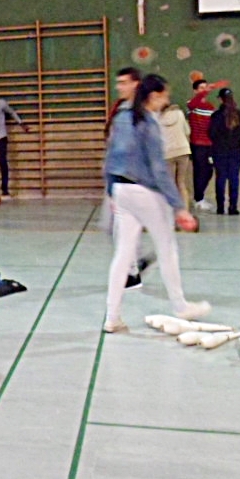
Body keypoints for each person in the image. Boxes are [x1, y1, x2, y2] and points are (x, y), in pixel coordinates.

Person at [103, 74, 211, 334]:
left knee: (123, 254)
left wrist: (111, 192)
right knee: (167, 247)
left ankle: (112, 317)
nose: (167, 99)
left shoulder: (121, 117)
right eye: (165, 95)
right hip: (144, 192)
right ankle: (180, 305)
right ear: (153, 96)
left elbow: (111, 158)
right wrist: (179, 206)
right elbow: (159, 170)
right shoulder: (149, 123)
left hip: (121, 190)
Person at [106, 67, 152, 290]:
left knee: (121, 230)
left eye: (124, 82)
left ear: (136, 84)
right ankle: (136, 261)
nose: (119, 87)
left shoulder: (140, 113)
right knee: (120, 228)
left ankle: (132, 273)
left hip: (130, 180)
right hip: (122, 179)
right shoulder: (122, 110)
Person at [209, 87, 240, 215]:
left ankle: (220, 207)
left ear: (220, 99)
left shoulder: (216, 116)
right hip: (236, 150)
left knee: (220, 178)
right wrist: (236, 139)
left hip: (219, 150)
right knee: (234, 178)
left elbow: (211, 133)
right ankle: (233, 207)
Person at [187, 77, 227, 211]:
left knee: (208, 171)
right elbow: (194, 103)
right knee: (199, 171)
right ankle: (198, 199)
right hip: (197, 144)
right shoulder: (192, 104)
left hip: (210, 144)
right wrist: (209, 89)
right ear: (195, 91)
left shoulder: (210, 107)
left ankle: (200, 196)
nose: (204, 90)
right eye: (201, 88)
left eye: (205, 87)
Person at [160, 101, 191, 209]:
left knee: (171, 184)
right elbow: (187, 132)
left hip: (168, 153)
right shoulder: (180, 114)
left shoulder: (158, 118)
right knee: (181, 183)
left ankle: (173, 211)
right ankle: (185, 210)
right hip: (183, 150)